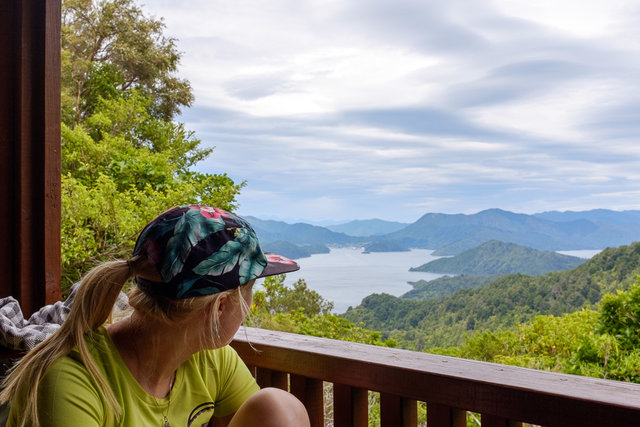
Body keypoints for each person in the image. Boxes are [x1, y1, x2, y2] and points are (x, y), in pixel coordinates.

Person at [0, 205, 310, 427]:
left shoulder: (211, 361)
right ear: (219, 307)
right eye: (249, 291)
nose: (248, 307)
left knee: (280, 409)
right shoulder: (69, 382)